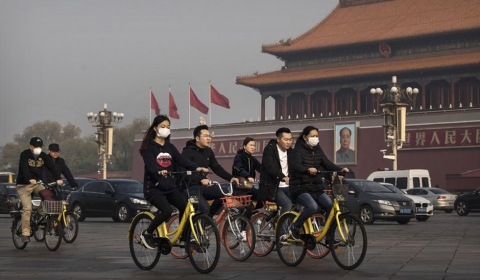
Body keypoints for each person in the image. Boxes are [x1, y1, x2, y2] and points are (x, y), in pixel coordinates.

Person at [139, 115, 208, 250]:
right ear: (155, 128)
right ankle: (147, 233)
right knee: (167, 211)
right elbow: (151, 165)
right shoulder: (149, 148)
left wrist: (196, 168)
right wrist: (159, 171)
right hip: (154, 188)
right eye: (162, 127)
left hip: (169, 187)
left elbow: (182, 160)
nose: (165, 129)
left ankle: (183, 239)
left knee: (185, 207)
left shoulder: (170, 147)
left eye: (168, 127)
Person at [289, 126, 349, 240]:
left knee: (330, 205)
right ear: (305, 137)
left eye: (317, 136)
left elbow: (326, 163)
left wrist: (340, 169)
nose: (315, 138)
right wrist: (307, 170)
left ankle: (328, 236)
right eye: (312, 136)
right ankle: (295, 227)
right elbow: (296, 165)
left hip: (314, 186)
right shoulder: (298, 149)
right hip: (299, 186)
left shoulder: (317, 149)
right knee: (312, 207)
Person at [181, 125, 239, 217]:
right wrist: (200, 180)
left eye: (209, 136)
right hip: (190, 188)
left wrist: (231, 178)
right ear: (197, 138)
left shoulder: (208, 151)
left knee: (225, 193)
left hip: (204, 187)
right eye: (205, 136)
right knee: (204, 208)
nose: (208, 138)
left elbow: (216, 168)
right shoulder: (188, 152)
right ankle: (201, 228)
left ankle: (208, 220)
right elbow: (183, 171)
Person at [16, 137, 64, 243]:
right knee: (28, 208)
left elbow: (52, 167)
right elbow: (24, 169)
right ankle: (25, 233)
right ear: (31, 147)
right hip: (23, 186)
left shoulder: (42, 156)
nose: (38, 149)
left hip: (37, 184)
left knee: (48, 196)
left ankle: (39, 214)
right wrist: (29, 178)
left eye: (40, 147)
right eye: (36, 147)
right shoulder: (24, 155)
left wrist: (58, 178)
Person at [258, 127, 294, 215]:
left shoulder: (291, 152)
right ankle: (282, 228)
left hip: (288, 185)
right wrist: (283, 177)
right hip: (273, 187)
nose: (288, 142)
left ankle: (290, 223)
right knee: (287, 204)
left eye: (290, 139)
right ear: (278, 139)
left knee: (301, 201)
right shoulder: (269, 150)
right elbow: (271, 167)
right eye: (286, 139)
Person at [231, 137, 263, 218]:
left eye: (254, 145)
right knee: (249, 207)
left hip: (249, 187)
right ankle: (243, 229)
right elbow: (239, 169)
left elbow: (261, 169)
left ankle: (255, 215)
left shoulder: (252, 159)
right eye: (251, 145)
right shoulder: (239, 157)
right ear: (244, 146)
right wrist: (248, 176)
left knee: (262, 196)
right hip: (239, 188)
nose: (253, 147)